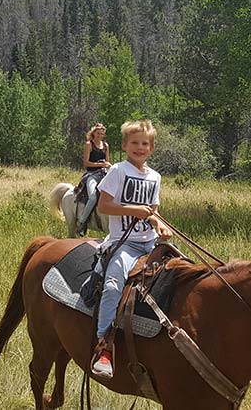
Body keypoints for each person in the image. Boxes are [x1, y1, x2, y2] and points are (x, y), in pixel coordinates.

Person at [90, 119, 173, 379]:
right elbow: (104, 206)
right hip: (123, 243)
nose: (140, 147)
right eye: (134, 143)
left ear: (151, 148)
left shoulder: (155, 177)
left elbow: (154, 212)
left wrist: (159, 224)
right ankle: (104, 346)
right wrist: (133, 211)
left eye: (145, 143)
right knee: (114, 285)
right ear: (125, 145)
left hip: (150, 243)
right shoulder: (118, 170)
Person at [76, 123, 110, 236]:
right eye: (98, 133)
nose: (99, 135)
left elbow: (107, 161)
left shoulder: (105, 145)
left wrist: (108, 165)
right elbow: (86, 163)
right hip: (92, 175)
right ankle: (82, 222)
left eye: (101, 133)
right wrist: (100, 164)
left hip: (104, 174)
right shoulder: (88, 144)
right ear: (93, 133)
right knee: (93, 197)